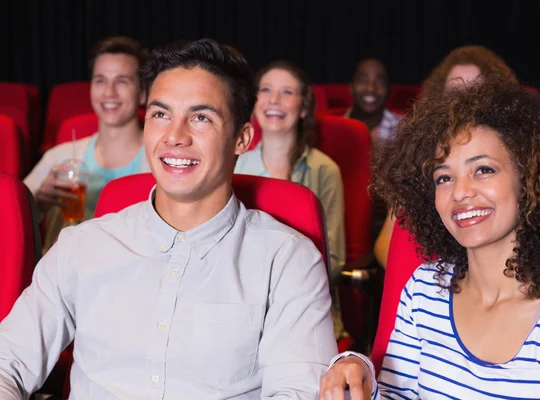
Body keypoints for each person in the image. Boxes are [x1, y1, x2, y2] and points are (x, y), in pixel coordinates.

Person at [0, 38, 337, 399]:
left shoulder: (286, 260)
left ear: (242, 138)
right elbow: (8, 362)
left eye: (201, 118)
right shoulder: (82, 246)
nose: (175, 137)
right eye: (161, 115)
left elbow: (297, 392)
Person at [319, 82, 540, 399]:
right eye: (444, 177)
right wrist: (357, 370)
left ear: (529, 180)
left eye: (483, 169)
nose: (460, 192)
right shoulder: (424, 289)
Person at [374, 45, 519, 268]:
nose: (464, 101)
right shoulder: (416, 160)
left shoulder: (516, 154)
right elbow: (386, 243)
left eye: (476, 90)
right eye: (454, 93)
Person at [24, 36, 150, 251]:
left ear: (142, 93)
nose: (109, 92)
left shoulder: (160, 160)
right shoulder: (60, 157)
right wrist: (37, 205)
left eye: (122, 81)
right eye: (100, 80)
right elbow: (9, 218)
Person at [235, 61, 346, 282]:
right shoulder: (235, 166)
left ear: (304, 108)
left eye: (287, 92)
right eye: (266, 90)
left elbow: (333, 258)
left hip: (304, 287)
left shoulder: (325, 170)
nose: (274, 100)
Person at [346, 58, 401, 145]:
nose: (370, 88)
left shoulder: (404, 130)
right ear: (351, 87)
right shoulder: (334, 128)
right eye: (363, 80)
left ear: (389, 90)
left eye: (379, 82)